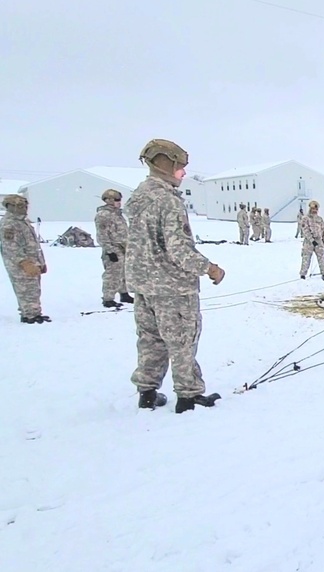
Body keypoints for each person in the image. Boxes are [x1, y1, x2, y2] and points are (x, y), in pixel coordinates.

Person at [126, 138, 226, 413]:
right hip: (172, 287)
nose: (183, 173)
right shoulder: (168, 201)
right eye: (180, 167)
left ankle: (147, 393)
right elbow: (178, 248)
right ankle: (188, 395)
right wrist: (209, 268)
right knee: (182, 341)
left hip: (144, 286)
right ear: (164, 164)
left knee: (150, 340)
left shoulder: (138, 198)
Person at [1, 194, 49, 323]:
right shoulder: (9, 224)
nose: (24, 208)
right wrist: (25, 263)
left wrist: (41, 261)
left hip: (33, 262)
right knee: (24, 289)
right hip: (20, 265)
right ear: (10, 207)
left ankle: (34, 312)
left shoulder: (23, 221)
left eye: (25, 206)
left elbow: (33, 244)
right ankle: (29, 315)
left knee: (33, 288)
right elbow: (11, 247)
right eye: (20, 206)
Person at [94, 189, 133, 308]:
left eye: (119, 200)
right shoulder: (103, 215)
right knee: (112, 274)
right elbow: (102, 234)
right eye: (116, 200)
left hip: (123, 247)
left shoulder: (117, 214)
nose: (119, 202)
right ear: (108, 201)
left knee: (123, 273)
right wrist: (110, 250)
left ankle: (124, 293)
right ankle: (108, 298)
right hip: (113, 248)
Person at [299, 200, 324, 280]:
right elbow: (305, 230)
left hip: (319, 240)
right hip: (309, 241)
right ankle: (303, 274)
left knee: (321, 258)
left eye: (316, 209)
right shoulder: (305, 218)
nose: (314, 210)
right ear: (310, 208)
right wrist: (312, 240)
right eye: (313, 208)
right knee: (306, 258)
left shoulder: (319, 219)